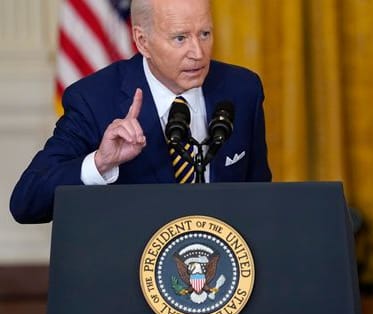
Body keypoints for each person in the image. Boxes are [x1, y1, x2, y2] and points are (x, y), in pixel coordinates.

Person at [10, 0, 271, 224]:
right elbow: (26, 202)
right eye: (180, 38)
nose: (198, 52)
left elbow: (259, 198)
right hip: (132, 271)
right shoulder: (94, 100)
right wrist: (100, 163)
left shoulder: (242, 89)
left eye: (204, 34)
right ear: (142, 42)